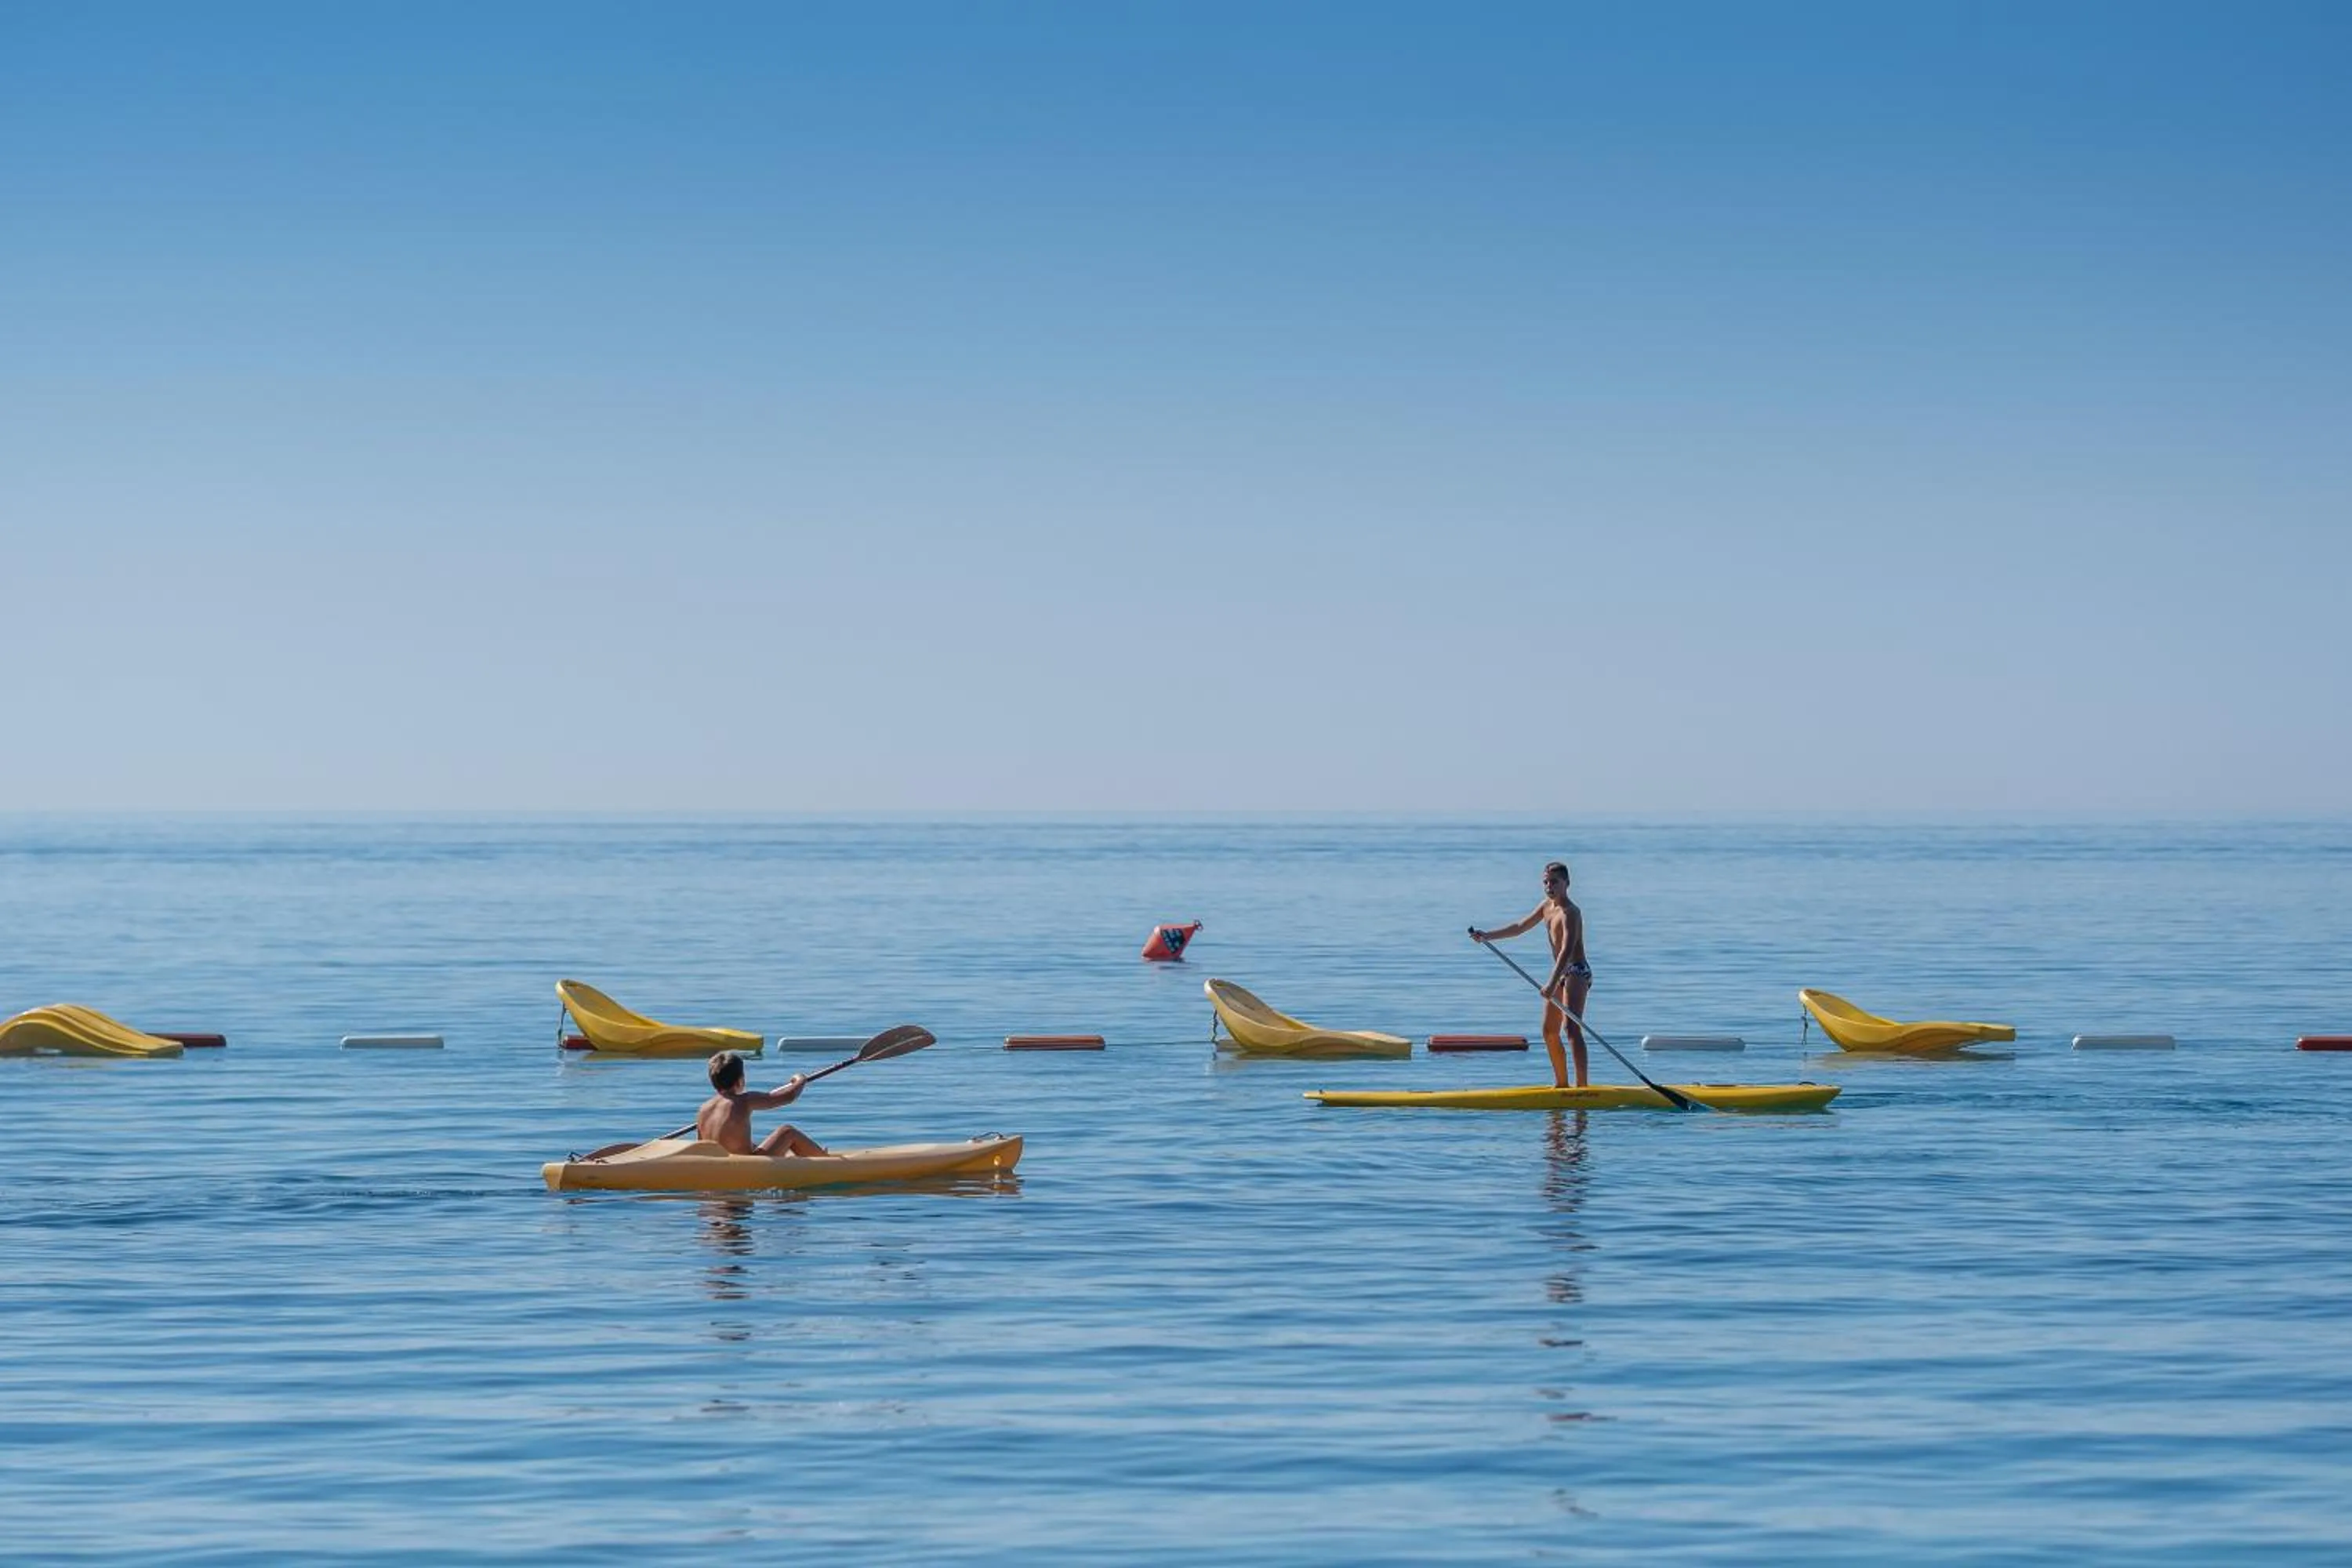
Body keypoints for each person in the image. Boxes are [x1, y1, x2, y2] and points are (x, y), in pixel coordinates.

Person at [1470, 860, 1592, 1088]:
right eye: (1546, 882)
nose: (1549, 886)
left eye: (1554, 882)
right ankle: (1562, 1085)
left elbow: (1566, 950)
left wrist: (1551, 983)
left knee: (1572, 1029)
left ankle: (1583, 1088)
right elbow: (1520, 926)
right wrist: (1488, 936)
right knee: (1548, 1031)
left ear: (1567, 883)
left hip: (1576, 971)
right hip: (1560, 973)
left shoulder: (1571, 913)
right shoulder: (1546, 907)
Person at [697, 1051, 828, 1156]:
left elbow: (703, 1146)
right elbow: (789, 1096)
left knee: (754, 1145)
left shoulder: (703, 1109)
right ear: (740, 1080)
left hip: (718, 1166)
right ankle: (825, 1162)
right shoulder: (745, 1100)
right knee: (787, 1132)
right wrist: (800, 1080)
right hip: (747, 1169)